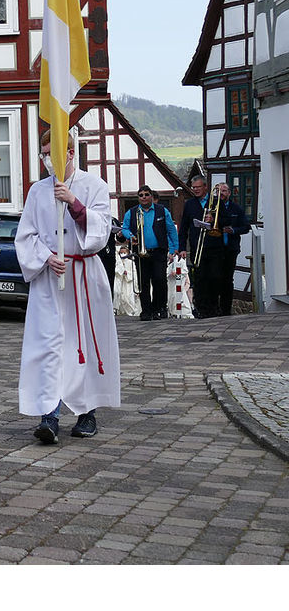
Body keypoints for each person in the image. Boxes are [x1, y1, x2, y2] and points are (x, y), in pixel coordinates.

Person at [16, 129, 120, 444]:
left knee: (84, 344)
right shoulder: (37, 191)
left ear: (71, 153)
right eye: (44, 154)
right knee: (49, 345)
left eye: (54, 154)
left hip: (84, 275)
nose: (48, 160)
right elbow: (26, 235)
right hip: (50, 279)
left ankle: (87, 413)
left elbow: (102, 231)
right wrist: (46, 257)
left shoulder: (95, 186)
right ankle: (49, 415)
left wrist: (73, 202)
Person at [121, 185, 179, 321]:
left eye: (146, 194)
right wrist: (130, 236)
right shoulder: (132, 212)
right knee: (143, 282)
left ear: (151, 196)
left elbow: (171, 229)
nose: (144, 197)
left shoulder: (162, 211)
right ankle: (146, 310)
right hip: (141, 253)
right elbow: (124, 228)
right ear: (138, 198)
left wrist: (174, 248)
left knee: (159, 280)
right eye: (141, 195)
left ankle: (159, 308)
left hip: (159, 251)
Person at [204, 183, 251, 316]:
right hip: (215, 248)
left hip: (230, 248)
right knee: (215, 278)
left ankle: (226, 309)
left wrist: (234, 230)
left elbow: (246, 227)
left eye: (224, 191)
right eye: (218, 191)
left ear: (229, 193)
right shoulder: (211, 207)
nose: (221, 193)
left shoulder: (236, 208)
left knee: (228, 279)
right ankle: (214, 308)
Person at [177, 175, 212, 317]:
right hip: (197, 245)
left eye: (198, 187)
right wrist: (182, 247)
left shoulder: (214, 202)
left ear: (205, 187)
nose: (195, 190)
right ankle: (200, 308)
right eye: (194, 188)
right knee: (199, 278)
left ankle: (213, 307)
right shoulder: (190, 204)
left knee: (213, 277)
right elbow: (184, 226)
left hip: (214, 246)